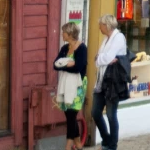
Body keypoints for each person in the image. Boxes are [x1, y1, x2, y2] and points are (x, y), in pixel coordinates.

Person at [91, 15, 126, 150]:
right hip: (101, 81)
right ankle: (106, 139)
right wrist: (102, 58)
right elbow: (100, 58)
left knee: (111, 115)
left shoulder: (119, 38)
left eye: (101, 25)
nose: (99, 27)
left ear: (107, 25)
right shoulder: (106, 39)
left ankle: (112, 145)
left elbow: (108, 57)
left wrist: (101, 58)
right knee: (95, 112)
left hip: (113, 82)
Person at [54, 22, 88, 150]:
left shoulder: (82, 48)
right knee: (68, 114)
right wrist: (67, 65)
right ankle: (78, 144)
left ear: (69, 34)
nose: (62, 34)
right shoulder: (65, 48)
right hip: (65, 84)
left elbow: (78, 68)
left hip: (78, 85)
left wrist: (64, 66)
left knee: (72, 114)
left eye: (64, 32)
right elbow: (55, 65)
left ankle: (68, 145)